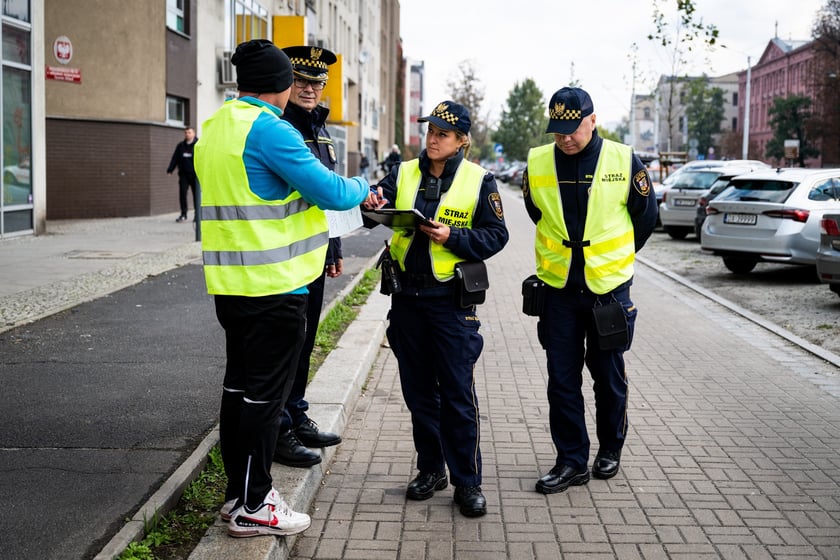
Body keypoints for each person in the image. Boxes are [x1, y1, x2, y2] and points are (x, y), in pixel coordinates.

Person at [194, 39, 380, 538]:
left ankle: (238, 496)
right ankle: (255, 505)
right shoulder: (271, 130)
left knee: (238, 394)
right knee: (264, 401)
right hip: (275, 289)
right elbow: (331, 191)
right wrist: (366, 186)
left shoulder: (217, 126)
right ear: (279, 85)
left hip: (231, 286)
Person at [365, 101, 508, 517]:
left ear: (461, 140)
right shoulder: (403, 172)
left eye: (442, 134)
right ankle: (431, 469)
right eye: (430, 131)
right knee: (419, 392)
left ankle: (468, 481)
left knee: (458, 393)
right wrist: (372, 205)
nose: (432, 139)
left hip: (450, 304)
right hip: (407, 300)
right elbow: (374, 211)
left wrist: (453, 237)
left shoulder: (480, 180)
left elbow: (496, 235)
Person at [521, 87, 658, 495]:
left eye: (574, 129)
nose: (565, 138)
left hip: (608, 290)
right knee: (561, 380)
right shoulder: (537, 162)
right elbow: (536, 212)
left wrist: (614, 261)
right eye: (558, 130)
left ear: (593, 121)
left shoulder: (623, 159)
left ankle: (610, 448)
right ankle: (571, 461)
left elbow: (646, 217)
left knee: (608, 377)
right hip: (559, 289)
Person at [270, 44, 343, 469]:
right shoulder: (281, 128)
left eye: (317, 82)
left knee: (305, 340)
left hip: (313, 252)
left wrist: (334, 247)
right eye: (301, 81)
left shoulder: (321, 129)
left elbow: (326, 199)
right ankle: (280, 427)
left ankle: (296, 414)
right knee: (286, 345)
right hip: (284, 257)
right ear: (287, 82)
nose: (310, 89)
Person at [167, 126, 199, 223]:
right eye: (186, 133)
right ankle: (183, 214)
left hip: (195, 175)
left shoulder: (198, 145)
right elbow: (175, 158)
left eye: (189, 132)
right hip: (184, 174)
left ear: (194, 134)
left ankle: (197, 215)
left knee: (196, 195)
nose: (187, 134)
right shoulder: (181, 146)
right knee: (182, 194)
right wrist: (170, 169)